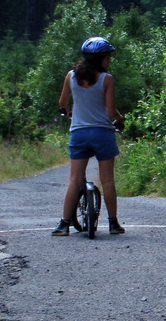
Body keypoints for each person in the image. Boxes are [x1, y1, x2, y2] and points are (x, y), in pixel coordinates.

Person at [52, 36, 126, 236]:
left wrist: (66, 111)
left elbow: (62, 101)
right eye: (107, 57)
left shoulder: (71, 76)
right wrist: (120, 119)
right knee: (108, 180)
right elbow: (111, 111)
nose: (109, 60)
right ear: (100, 59)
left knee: (75, 179)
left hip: (79, 133)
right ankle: (113, 223)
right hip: (102, 133)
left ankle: (64, 224)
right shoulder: (106, 79)